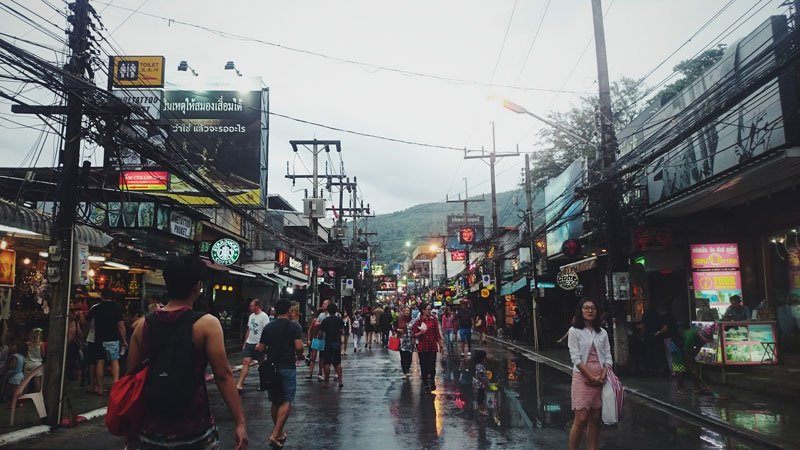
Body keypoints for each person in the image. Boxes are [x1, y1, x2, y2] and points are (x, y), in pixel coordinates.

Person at [126, 255, 247, 449]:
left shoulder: (143, 325)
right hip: (194, 428)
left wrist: (130, 429)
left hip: (151, 428)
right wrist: (240, 422)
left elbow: (131, 377)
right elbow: (223, 375)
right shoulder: (207, 324)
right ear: (197, 286)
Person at [256, 299, 303, 449]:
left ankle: (279, 432)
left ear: (275, 311)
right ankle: (275, 434)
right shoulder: (294, 326)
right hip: (288, 366)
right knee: (286, 400)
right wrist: (300, 354)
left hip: (271, 366)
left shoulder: (269, 327)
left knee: (275, 401)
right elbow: (299, 346)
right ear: (289, 310)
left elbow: (260, 347)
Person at [567, 298, 612, 450]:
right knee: (581, 419)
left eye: (593, 308)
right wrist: (591, 377)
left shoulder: (602, 332)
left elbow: (608, 357)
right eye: (586, 308)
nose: (590, 311)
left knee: (595, 418)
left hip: (601, 378)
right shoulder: (574, 331)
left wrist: (603, 375)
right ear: (581, 311)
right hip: (582, 378)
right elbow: (575, 358)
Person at [86, 289, 126, 395]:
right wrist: (124, 340)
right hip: (112, 338)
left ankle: (100, 388)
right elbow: (121, 326)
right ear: (112, 297)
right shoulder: (117, 308)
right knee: (114, 361)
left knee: (100, 362)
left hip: (99, 339)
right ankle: (116, 386)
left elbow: (87, 321)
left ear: (102, 296)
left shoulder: (96, 308)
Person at [669, 324, 716, 395]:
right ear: (701, 337)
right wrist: (690, 364)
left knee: (694, 367)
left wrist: (692, 360)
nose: (705, 342)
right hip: (677, 345)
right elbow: (686, 352)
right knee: (680, 367)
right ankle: (680, 388)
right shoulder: (691, 337)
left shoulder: (701, 338)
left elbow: (697, 348)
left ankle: (697, 388)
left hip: (686, 347)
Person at [236, 299, 270, 393]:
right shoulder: (251, 316)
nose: (250, 307)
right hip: (249, 343)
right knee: (246, 362)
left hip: (259, 343)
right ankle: (239, 384)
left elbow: (266, 331)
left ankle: (264, 383)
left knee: (261, 364)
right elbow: (248, 330)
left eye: (252, 306)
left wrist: (263, 343)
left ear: (257, 306)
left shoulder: (264, 316)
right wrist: (245, 343)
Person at [412, 302, 442, 393]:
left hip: (432, 346)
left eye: (430, 309)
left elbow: (437, 333)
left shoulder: (434, 320)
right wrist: (420, 333)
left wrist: (441, 345)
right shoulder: (418, 321)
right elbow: (413, 334)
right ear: (423, 310)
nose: (430, 311)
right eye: (428, 309)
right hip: (422, 347)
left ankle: (432, 380)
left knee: (432, 366)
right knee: (424, 366)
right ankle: (425, 384)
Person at [319, 303, 345, 388]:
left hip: (328, 343)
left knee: (327, 363)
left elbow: (320, 333)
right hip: (336, 343)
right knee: (338, 363)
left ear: (328, 311)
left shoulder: (325, 321)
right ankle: (340, 381)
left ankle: (327, 382)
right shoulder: (339, 320)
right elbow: (342, 331)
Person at [307, 300, 331, 381]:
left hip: (325, 338)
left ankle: (320, 373)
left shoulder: (331, 315)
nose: (323, 305)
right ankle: (310, 373)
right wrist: (324, 323)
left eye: (324, 304)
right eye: (323, 303)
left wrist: (321, 323)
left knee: (322, 356)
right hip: (318, 337)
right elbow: (316, 324)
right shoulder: (321, 315)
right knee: (313, 355)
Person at [395, 306, 416, 379]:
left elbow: (415, 330)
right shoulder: (400, 319)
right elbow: (394, 328)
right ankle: (405, 372)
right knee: (403, 357)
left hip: (410, 341)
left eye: (408, 310)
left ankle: (407, 369)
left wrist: (414, 339)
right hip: (402, 341)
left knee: (409, 357)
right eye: (405, 310)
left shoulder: (413, 320)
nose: (406, 312)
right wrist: (398, 330)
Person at [471, 350, 489, 416]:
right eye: (485, 358)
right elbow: (479, 375)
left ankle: (481, 408)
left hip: (480, 385)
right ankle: (481, 409)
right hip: (480, 385)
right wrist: (484, 383)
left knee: (481, 396)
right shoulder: (480, 366)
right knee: (481, 397)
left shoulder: (479, 365)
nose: (486, 359)